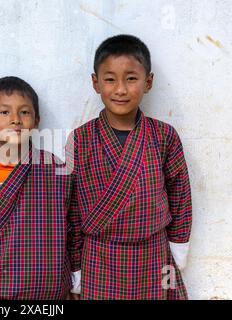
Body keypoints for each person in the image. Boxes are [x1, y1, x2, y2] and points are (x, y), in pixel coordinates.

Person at [68, 34, 192, 299]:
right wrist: (75, 265)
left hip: (154, 254)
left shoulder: (164, 135)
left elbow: (180, 196)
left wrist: (179, 246)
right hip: (99, 257)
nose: (121, 89)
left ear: (148, 82)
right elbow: (73, 209)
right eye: (110, 79)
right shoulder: (79, 139)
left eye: (131, 78)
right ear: (95, 83)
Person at [0, 76, 82, 299]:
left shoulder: (58, 170)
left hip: (49, 291)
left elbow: (73, 227)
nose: (15, 120)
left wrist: (77, 280)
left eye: (24, 112)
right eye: (5, 112)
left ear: (37, 120)